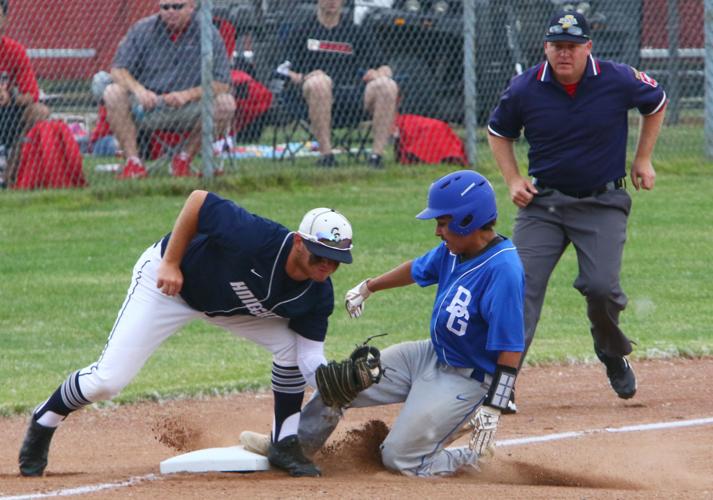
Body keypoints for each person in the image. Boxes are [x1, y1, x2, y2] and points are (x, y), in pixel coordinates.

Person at [18, 193, 356, 478]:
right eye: (320, 255)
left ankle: (284, 442)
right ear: (299, 241)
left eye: (337, 261)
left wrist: (328, 381)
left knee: (289, 347)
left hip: (227, 306)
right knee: (108, 381)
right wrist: (170, 262)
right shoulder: (256, 237)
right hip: (168, 286)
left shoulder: (317, 294)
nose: (327, 266)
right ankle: (45, 418)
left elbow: (309, 356)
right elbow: (198, 201)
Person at [242, 170, 526, 476]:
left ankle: (471, 460)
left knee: (399, 459)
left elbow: (510, 348)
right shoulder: (455, 251)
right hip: (430, 355)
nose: (437, 232)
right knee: (344, 380)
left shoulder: (504, 271)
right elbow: (417, 269)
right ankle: (291, 444)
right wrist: (369, 286)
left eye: (442, 223)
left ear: (467, 220)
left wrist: (494, 407)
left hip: (468, 379)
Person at [487, 10, 667, 411]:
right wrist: (514, 180)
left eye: (572, 46)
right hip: (543, 206)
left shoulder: (616, 78)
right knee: (519, 288)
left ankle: (610, 351)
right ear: (546, 48)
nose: (564, 54)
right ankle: (504, 380)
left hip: (601, 202)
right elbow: (499, 132)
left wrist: (643, 159)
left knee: (601, 288)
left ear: (588, 47)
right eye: (557, 46)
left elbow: (656, 101)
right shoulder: (525, 88)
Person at [105, 0, 236, 179]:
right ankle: (133, 163)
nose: (170, 11)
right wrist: (139, 91)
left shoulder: (208, 33)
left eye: (177, 6)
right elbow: (118, 70)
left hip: (190, 107)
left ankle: (183, 160)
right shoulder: (142, 29)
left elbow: (222, 83)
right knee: (112, 92)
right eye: (165, 7)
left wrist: (187, 95)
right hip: (148, 108)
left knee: (226, 103)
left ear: (192, 7)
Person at [279, 0, 398, 168]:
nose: (333, 1)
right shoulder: (301, 30)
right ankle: (326, 156)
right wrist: (304, 77)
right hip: (310, 97)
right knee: (321, 83)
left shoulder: (355, 30)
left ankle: (376, 157)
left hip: (351, 95)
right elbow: (282, 69)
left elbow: (384, 66)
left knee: (387, 85)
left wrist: (379, 73)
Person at [0, 0, 49, 183]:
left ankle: (9, 176)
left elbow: (32, 94)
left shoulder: (14, 50)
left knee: (39, 111)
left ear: (4, 20)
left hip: (8, 114)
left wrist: (10, 96)